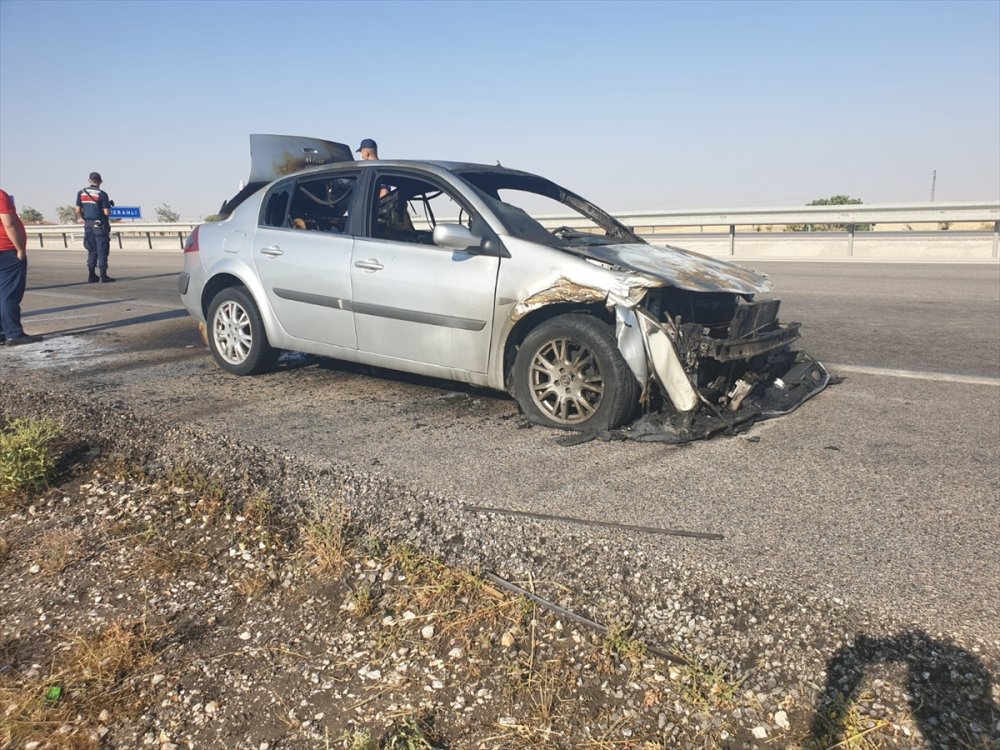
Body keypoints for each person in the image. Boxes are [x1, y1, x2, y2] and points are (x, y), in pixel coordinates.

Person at [0, 188, 41, 346]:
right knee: (9, 294)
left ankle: (2, 332)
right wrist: (20, 249)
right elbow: (9, 224)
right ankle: (14, 334)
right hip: (6, 250)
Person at [74, 172, 115, 282]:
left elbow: (77, 210)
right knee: (102, 249)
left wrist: (84, 218)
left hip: (88, 224)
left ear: (89, 180)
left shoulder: (81, 193)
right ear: (100, 181)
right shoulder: (102, 194)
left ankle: (91, 276)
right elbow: (106, 212)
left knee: (92, 250)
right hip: (99, 225)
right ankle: (103, 276)